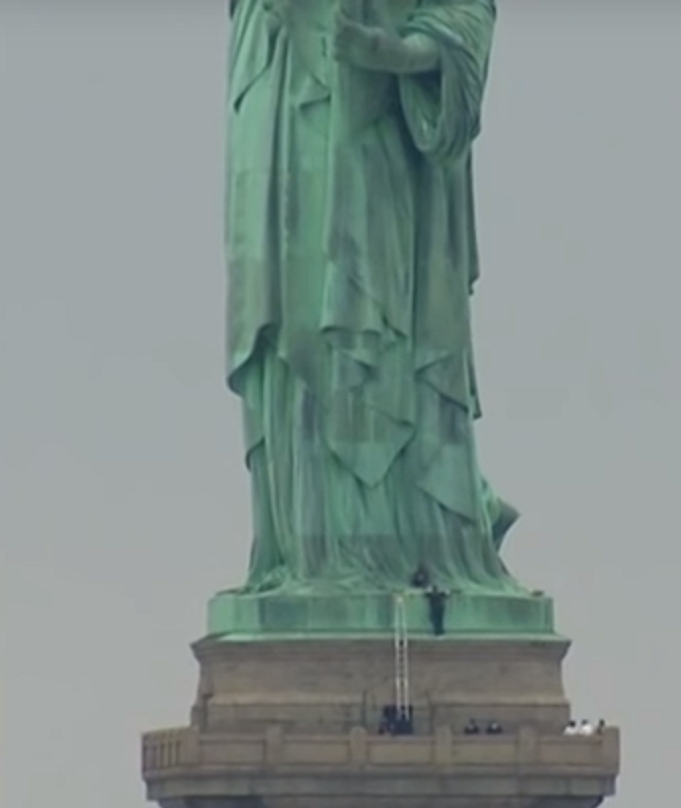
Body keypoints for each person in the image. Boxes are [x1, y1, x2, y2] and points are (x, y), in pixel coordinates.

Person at [224, 0, 527, 596]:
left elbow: (467, 12)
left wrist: (401, 54)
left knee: (373, 323)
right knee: (296, 330)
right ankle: (310, 549)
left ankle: (409, 540)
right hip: (281, 96)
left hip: (381, 122)